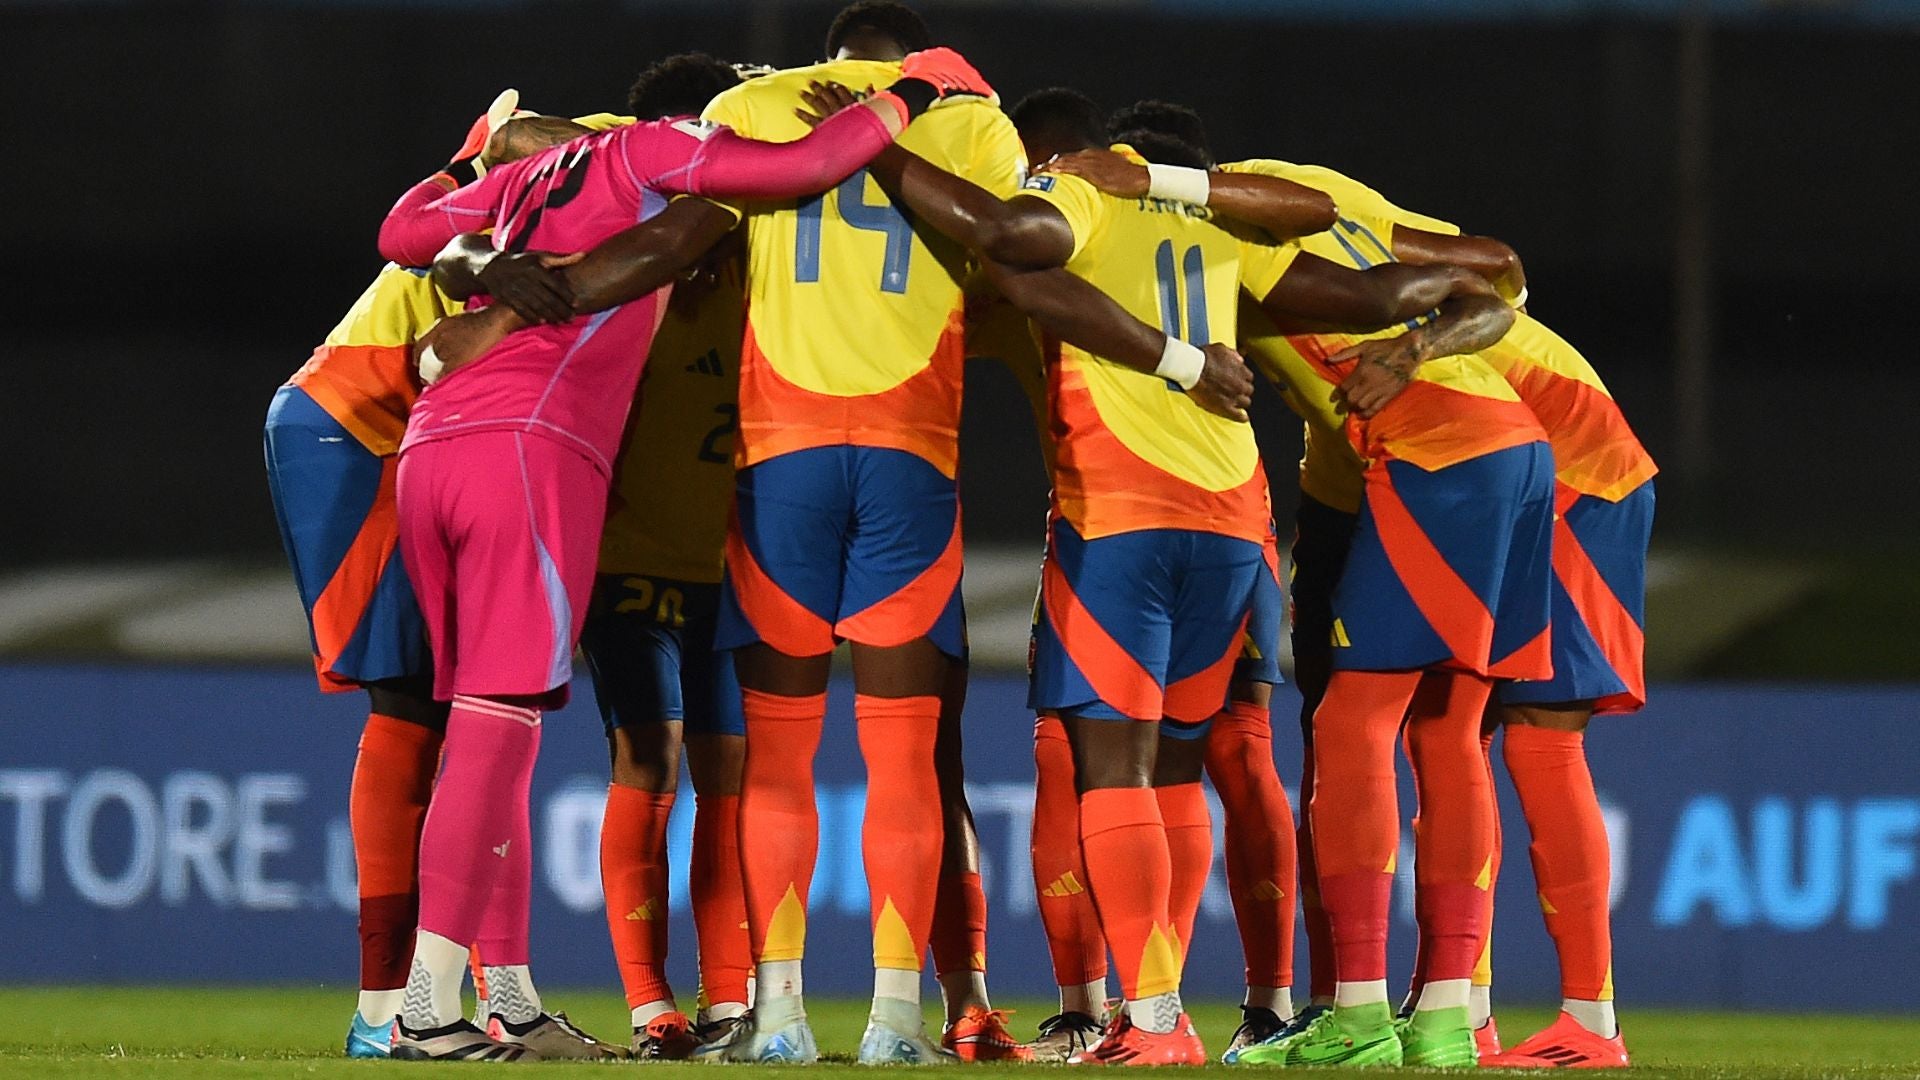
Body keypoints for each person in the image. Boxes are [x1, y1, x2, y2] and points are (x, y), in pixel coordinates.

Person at [369, 54, 989, 1062]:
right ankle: (429, 1006)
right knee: (501, 727)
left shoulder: (525, 181)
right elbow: (807, 164)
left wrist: (465, 172)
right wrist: (914, 92)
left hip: (434, 443)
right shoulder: (654, 152)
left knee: (486, 731)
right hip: (531, 445)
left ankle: (502, 999)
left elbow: (400, 234)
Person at [689, 2, 1028, 1063]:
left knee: (777, 760)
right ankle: (892, 1021)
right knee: (905, 759)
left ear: (829, 54)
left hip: (778, 455)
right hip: (908, 456)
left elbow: (685, 224)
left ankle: (779, 1017)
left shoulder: (748, 103)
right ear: (912, 54)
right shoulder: (974, 123)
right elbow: (1010, 245)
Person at [261, 103, 587, 1060]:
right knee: (411, 711)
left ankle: (497, 999)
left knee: (473, 713)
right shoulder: (503, 223)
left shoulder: (514, 195)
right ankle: (384, 1012)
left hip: (398, 435)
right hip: (351, 432)